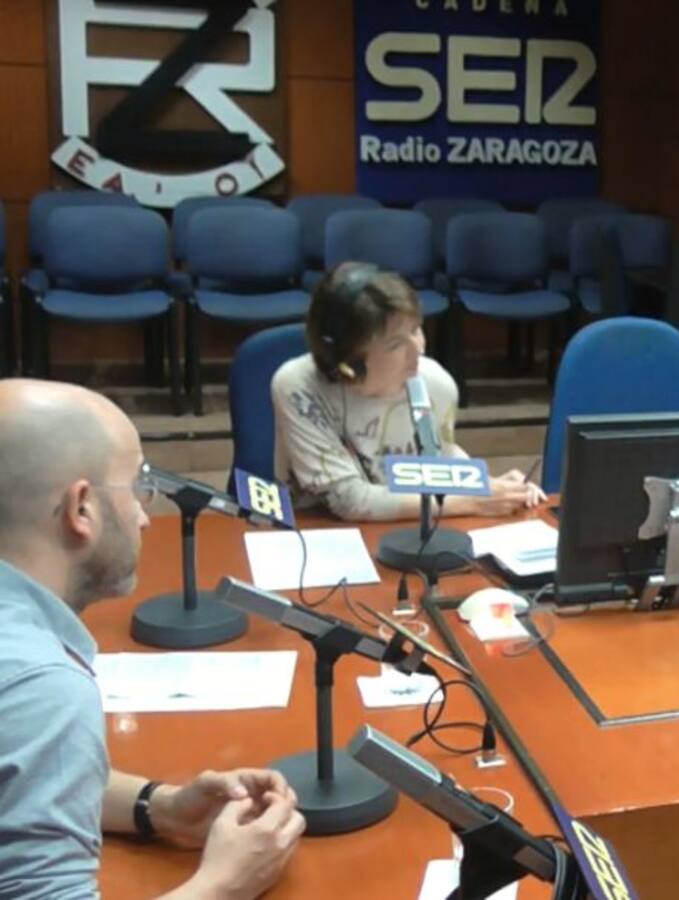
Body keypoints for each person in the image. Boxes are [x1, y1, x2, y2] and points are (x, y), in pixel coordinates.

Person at [0, 379, 305, 898]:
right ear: (81, 509)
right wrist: (224, 882)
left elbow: (18, 774)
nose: (144, 516)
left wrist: (158, 807)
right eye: (138, 486)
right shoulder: (43, 689)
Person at [272, 261, 546, 521]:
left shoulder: (435, 383)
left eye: (416, 330)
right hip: (317, 533)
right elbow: (348, 499)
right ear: (348, 364)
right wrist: (474, 501)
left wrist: (493, 488)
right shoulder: (298, 387)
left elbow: (438, 461)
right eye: (395, 344)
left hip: (407, 527)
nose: (419, 349)